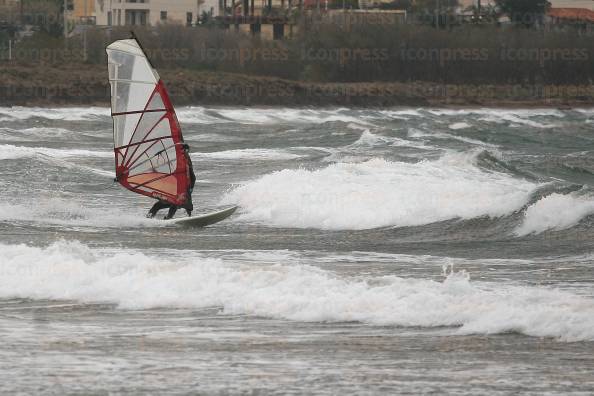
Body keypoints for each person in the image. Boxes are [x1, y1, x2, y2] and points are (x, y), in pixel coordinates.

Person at [146, 143, 196, 220]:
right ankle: (149, 219)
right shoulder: (178, 158)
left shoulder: (185, 159)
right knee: (160, 205)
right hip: (173, 186)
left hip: (182, 188)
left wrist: (190, 188)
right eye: (183, 150)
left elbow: (192, 175)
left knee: (176, 203)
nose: (185, 152)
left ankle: (169, 218)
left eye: (186, 150)